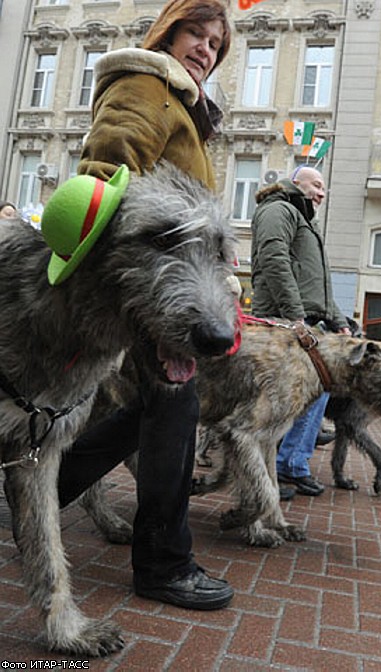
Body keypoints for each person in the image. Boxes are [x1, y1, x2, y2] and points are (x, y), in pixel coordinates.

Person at [57, 0, 234, 610]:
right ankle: (163, 563)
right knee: (172, 416)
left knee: (151, 411)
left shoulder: (182, 104)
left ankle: (43, 488)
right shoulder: (150, 84)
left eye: (216, 42)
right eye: (196, 33)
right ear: (167, 32)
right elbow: (104, 175)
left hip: (167, 284)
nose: (206, 48)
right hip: (142, 288)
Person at [250, 165, 351, 498]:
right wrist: (295, 317)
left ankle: (291, 463)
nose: (322, 193)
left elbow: (319, 285)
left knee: (316, 392)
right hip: (284, 320)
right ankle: (267, 473)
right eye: (317, 185)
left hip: (307, 320)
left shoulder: (307, 220)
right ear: (297, 183)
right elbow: (274, 259)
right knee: (280, 399)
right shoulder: (279, 209)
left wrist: (338, 320)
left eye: (324, 188)